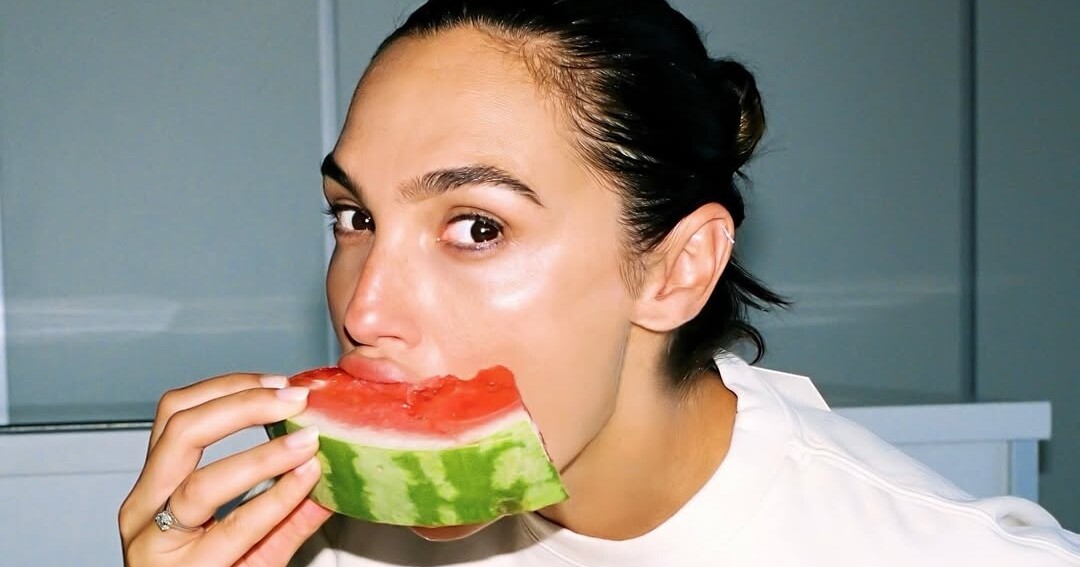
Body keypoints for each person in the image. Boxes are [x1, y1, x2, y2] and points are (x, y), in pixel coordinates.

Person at [119, 1, 1080, 565]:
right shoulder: (317, 541)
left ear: (675, 269)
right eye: (355, 217)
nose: (363, 309)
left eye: (477, 226)